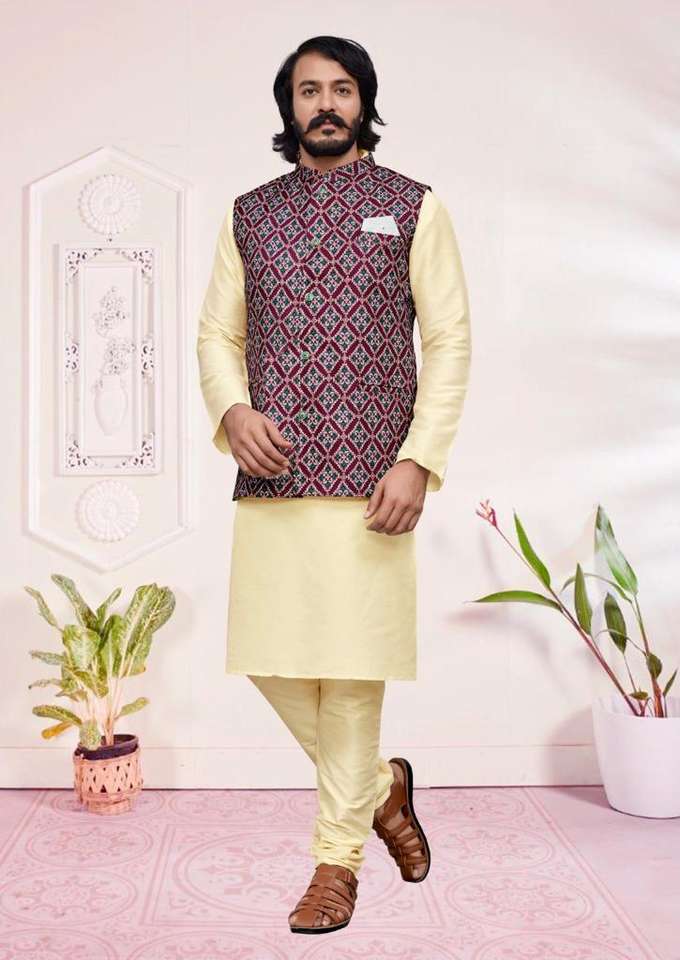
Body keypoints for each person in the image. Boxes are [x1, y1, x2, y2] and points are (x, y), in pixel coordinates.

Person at [196, 34, 472, 935]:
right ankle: (382, 787)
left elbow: (449, 339)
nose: (326, 104)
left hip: (373, 482)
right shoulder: (250, 214)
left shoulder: (412, 206)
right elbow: (218, 334)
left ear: (364, 103)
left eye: (342, 89)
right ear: (289, 106)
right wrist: (233, 410)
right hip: (273, 475)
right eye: (309, 90)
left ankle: (334, 866)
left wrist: (419, 459)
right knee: (269, 657)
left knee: (351, 676)